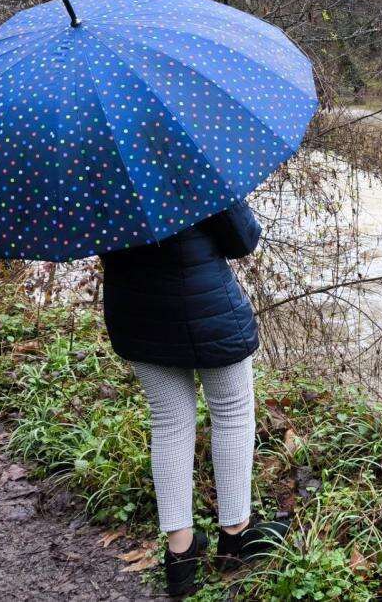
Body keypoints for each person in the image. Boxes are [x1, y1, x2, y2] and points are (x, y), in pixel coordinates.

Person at [99, 200, 284, 597]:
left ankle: (180, 556)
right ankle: (235, 538)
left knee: (169, 421)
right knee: (232, 412)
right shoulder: (190, 160)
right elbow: (243, 239)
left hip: (135, 314)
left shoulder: (92, 171)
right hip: (209, 312)